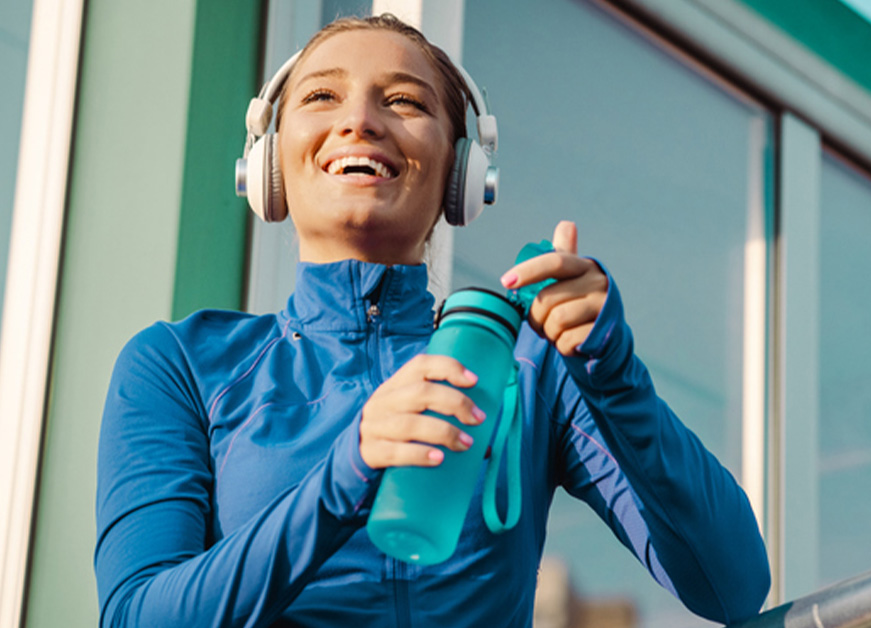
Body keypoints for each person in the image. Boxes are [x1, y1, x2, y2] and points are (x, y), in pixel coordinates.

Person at [94, 13, 769, 628]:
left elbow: (732, 587)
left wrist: (615, 376)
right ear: (269, 160)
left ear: (462, 171)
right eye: (322, 96)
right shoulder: (181, 364)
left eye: (404, 101)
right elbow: (136, 617)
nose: (359, 120)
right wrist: (345, 475)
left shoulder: (526, 369)